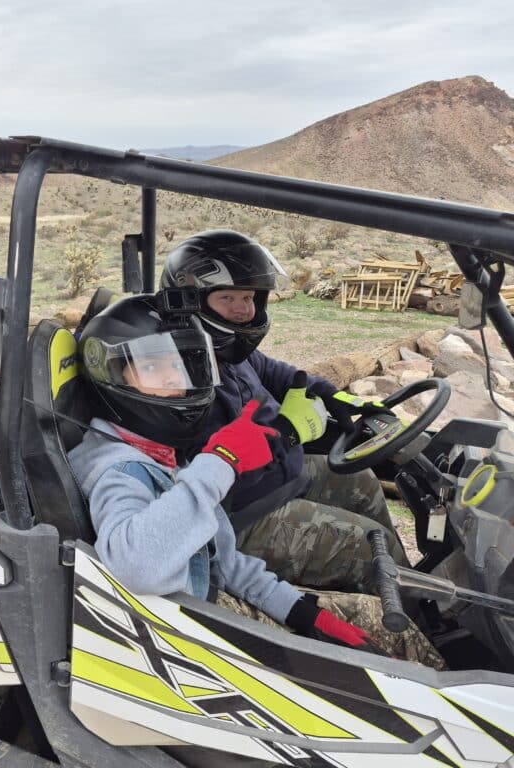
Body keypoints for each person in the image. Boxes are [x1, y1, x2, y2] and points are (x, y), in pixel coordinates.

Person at [69, 294, 443, 668]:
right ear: (113, 375)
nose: (174, 381)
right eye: (152, 367)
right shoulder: (120, 471)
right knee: (392, 633)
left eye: (177, 365)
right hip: (192, 629)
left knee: (383, 624)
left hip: (213, 593)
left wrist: (301, 611)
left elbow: (222, 558)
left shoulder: (161, 452)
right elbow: (137, 567)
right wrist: (220, 461)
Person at [160, 230, 409, 592]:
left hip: (282, 475)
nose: (243, 309)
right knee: (371, 547)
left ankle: (412, 598)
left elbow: (274, 372)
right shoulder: (178, 375)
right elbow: (218, 471)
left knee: (361, 480)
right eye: (227, 297)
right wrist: (285, 431)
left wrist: (331, 395)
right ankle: (419, 629)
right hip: (241, 515)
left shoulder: (226, 348)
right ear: (188, 298)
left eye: (248, 297)